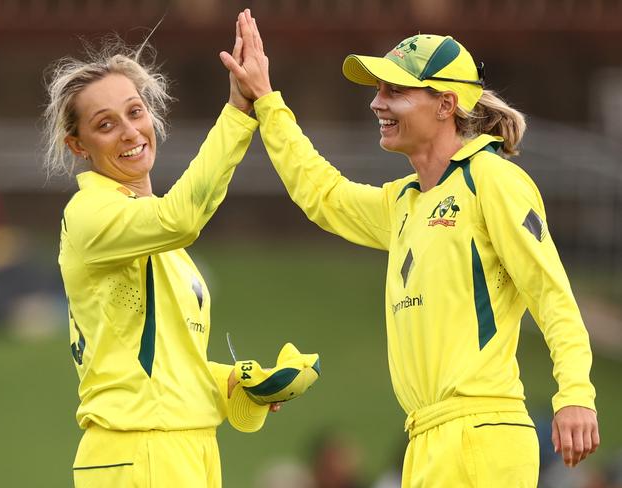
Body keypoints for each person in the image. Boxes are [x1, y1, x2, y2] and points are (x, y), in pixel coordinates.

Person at [221, 9, 600, 487]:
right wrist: (267, 101)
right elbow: (323, 194)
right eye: (378, 89)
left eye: (395, 91)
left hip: (481, 436)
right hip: (423, 441)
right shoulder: (403, 202)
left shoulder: (493, 180)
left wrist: (576, 395)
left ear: (445, 104)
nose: (377, 103)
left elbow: (552, 295)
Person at [42, 31, 294, 488]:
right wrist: (238, 112)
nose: (130, 131)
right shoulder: (90, 213)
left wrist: (231, 383)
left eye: (135, 112)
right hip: (136, 447)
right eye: (105, 124)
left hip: (183, 445)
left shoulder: (157, 235)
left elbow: (157, 367)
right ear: (78, 147)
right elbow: (182, 218)